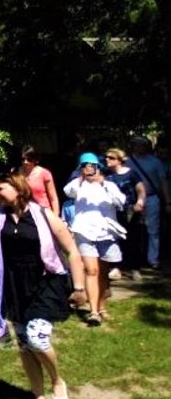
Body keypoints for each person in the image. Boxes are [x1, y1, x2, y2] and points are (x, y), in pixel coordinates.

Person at [0, 173, 86, 399]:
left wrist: (80, 287)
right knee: (24, 344)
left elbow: (71, 249)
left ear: (18, 189)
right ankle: (39, 398)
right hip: (13, 285)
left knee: (37, 338)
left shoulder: (43, 214)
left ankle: (57, 381)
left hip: (45, 281)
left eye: (1, 188)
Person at [63, 152, 126, 324]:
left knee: (103, 273)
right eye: (85, 166)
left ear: (98, 167)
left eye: (92, 165)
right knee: (91, 270)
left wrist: (103, 183)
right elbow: (68, 192)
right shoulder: (77, 184)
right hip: (84, 232)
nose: (89, 169)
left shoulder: (109, 184)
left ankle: (101, 306)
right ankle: (93, 312)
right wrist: (81, 178)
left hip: (106, 232)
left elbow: (121, 202)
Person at [104, 147, 148, 278]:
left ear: (119, 160)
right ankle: (118, 267)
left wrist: (140, 202)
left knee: (133, 238)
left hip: (131, 210)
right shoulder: (107, 175)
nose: (107, 160)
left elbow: (141, 190)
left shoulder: (131, 173)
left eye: (111, 158)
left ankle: (135, 268)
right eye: (106, 157)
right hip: (113, 211)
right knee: (116, 239)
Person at [128, 134, 168, 272]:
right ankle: (132, 259)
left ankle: (153, 259)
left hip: (151, 197)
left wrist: (168, 201)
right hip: (132, 199)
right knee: (132, 230)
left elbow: (163, 182)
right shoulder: (127, 161)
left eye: (142, 144)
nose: (139, 147)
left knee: (153, 230)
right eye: (136, 144)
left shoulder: (155, 162)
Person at [19, 146, 59, 215]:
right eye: (23, 159)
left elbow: (53, 199)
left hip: (43, 213)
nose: (25, 162)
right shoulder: (16, 173)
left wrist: (56, 217)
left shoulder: (45, 173)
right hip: (24, 213)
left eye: (29, 159)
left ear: (35, 159)